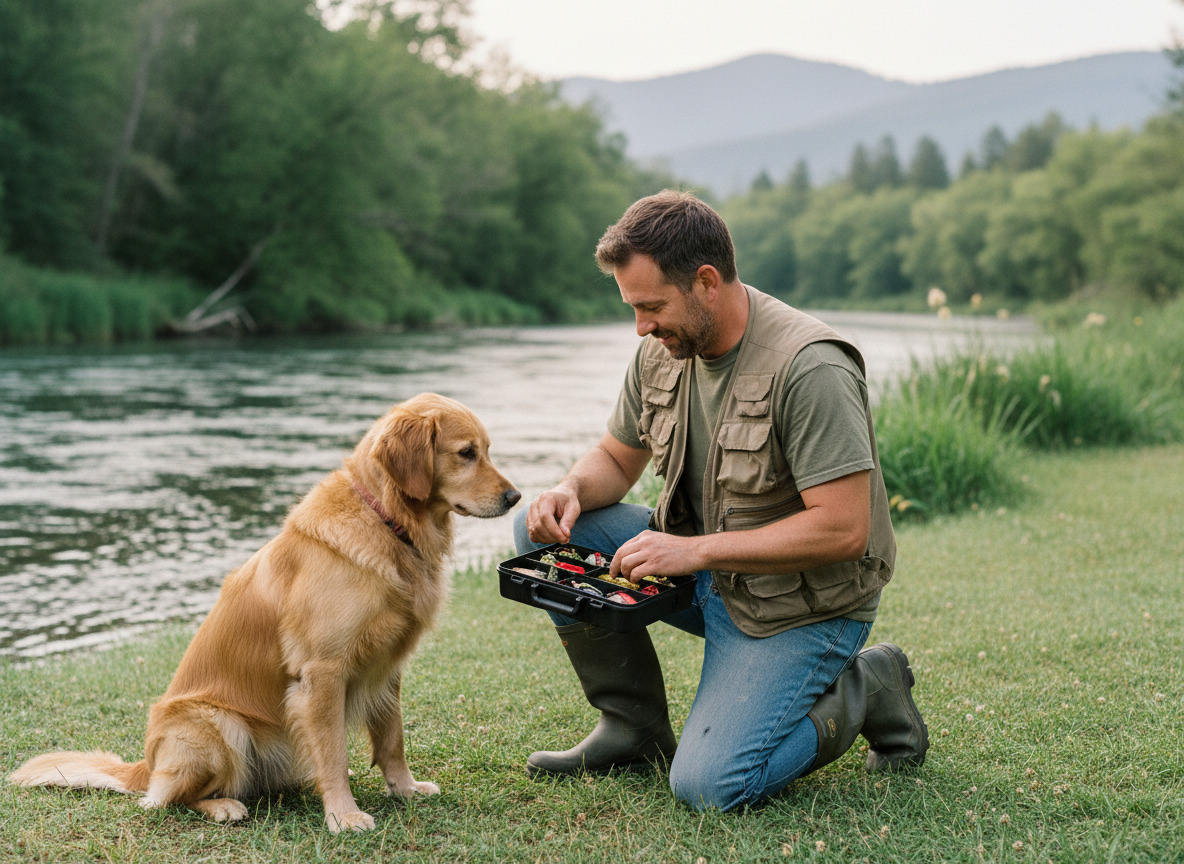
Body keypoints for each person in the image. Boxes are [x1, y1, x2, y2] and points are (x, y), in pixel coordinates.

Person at [513, 189, 928, 811]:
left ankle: (866, 687)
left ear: (706, 282)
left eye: (651, 306)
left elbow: (845, 531)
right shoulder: (662, 348)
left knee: (710, 787)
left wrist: (693, 551)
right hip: (707, 576)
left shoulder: (811, 367)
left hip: (802, 605)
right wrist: (568, 489)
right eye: (632, 308)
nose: (641, 327)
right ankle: (633, 729)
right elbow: (615, 459)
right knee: (540, 532)